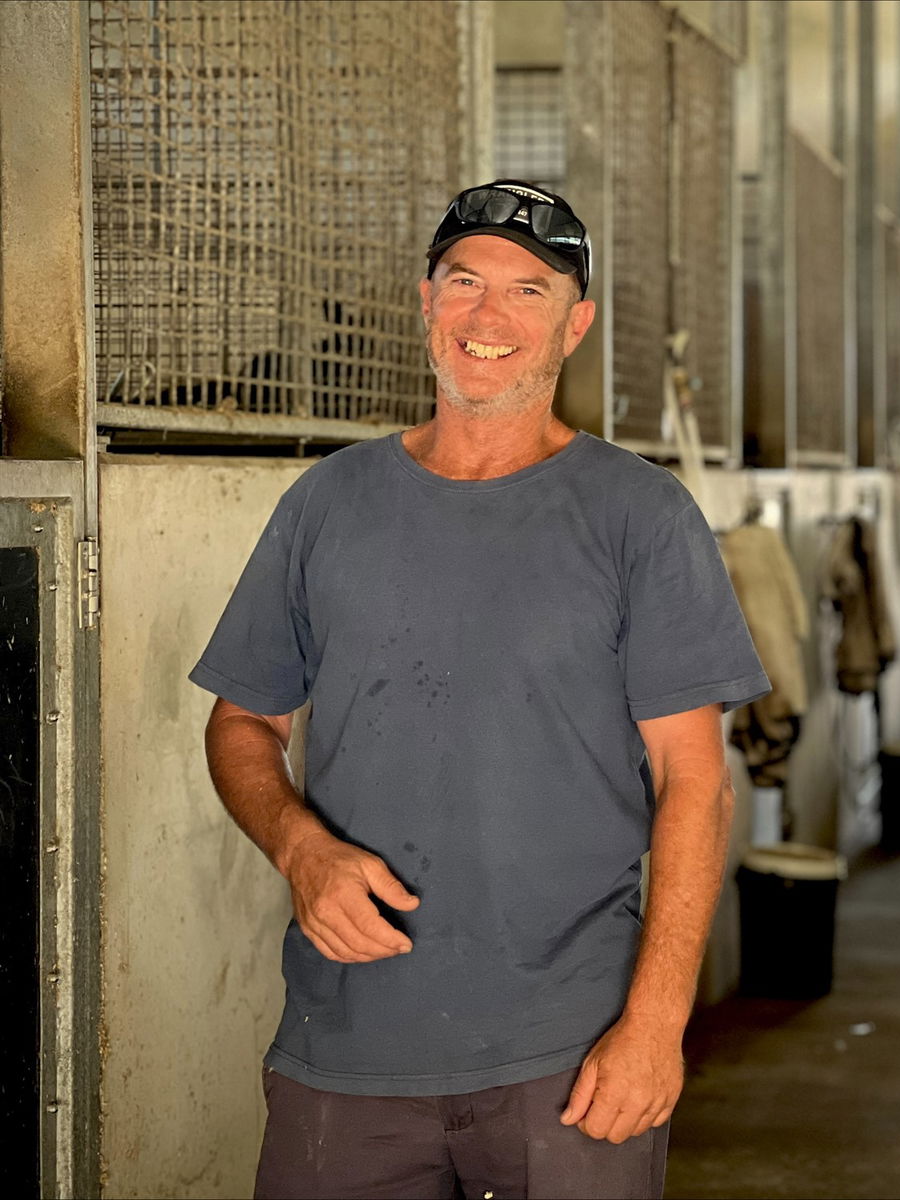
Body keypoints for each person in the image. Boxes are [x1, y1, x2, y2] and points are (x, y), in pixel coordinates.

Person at [190, 179, 770, 1199]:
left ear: (574, 323)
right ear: (425, 301)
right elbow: (242, 719)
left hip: (569, 1054)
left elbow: (695, 783)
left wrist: (654, 1024)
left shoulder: (639, 515)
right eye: (464, 284)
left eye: (527, 291)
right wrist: (296, 844)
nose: (486, 318)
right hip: (345, 1048)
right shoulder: (329, 502)